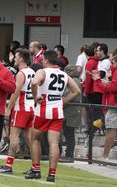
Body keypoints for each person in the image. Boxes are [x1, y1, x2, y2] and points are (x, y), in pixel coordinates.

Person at [29, 50, 81, 182]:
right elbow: (77, 91)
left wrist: (36, 97)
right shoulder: (64, 74)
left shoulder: (42, 72)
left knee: (35, 139)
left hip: (43, 109)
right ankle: (52, 174)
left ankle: (36, 170)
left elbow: (34, 83)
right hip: (57, 110)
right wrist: (63, 101)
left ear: (46, 60)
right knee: (54, 143)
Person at [0, 48, 36, 174]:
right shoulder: (32, 72)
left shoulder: (21, 74)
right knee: (30, 139)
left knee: (14, 137)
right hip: (31, 108)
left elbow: (15, 93)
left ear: (21, 58)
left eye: (16, 56)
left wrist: (8, 108)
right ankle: (35, 167)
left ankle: (8, 165)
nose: (14, 58)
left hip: (21, 109)